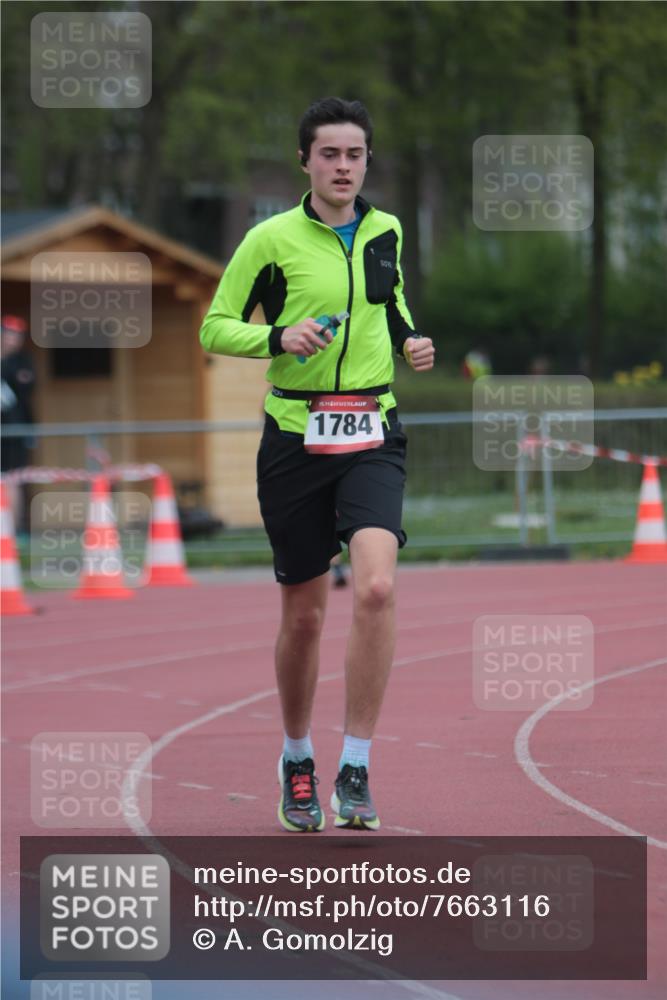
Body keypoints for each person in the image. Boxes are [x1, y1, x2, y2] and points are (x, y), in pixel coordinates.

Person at [200, 96, 434, 832]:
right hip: (295, 437)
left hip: (371, 428)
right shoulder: (268, 239)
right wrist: (277, 339)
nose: (342, 166)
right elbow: (214, 326)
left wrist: (411, 343)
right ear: (304, 161)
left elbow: (389, 305)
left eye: (354, 154)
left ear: (367, 162)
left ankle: (356, 763)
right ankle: (296, 757)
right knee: (303, 617)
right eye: (328, 153)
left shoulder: (386, 229)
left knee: (374, 588)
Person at [1, 315, 36, 533]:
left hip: (15, 430)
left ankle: (12, 533)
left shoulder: (22, 362)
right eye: (8, 335)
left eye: (17, 336)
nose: (13, 340)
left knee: (11, 479)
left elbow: (26, 387)